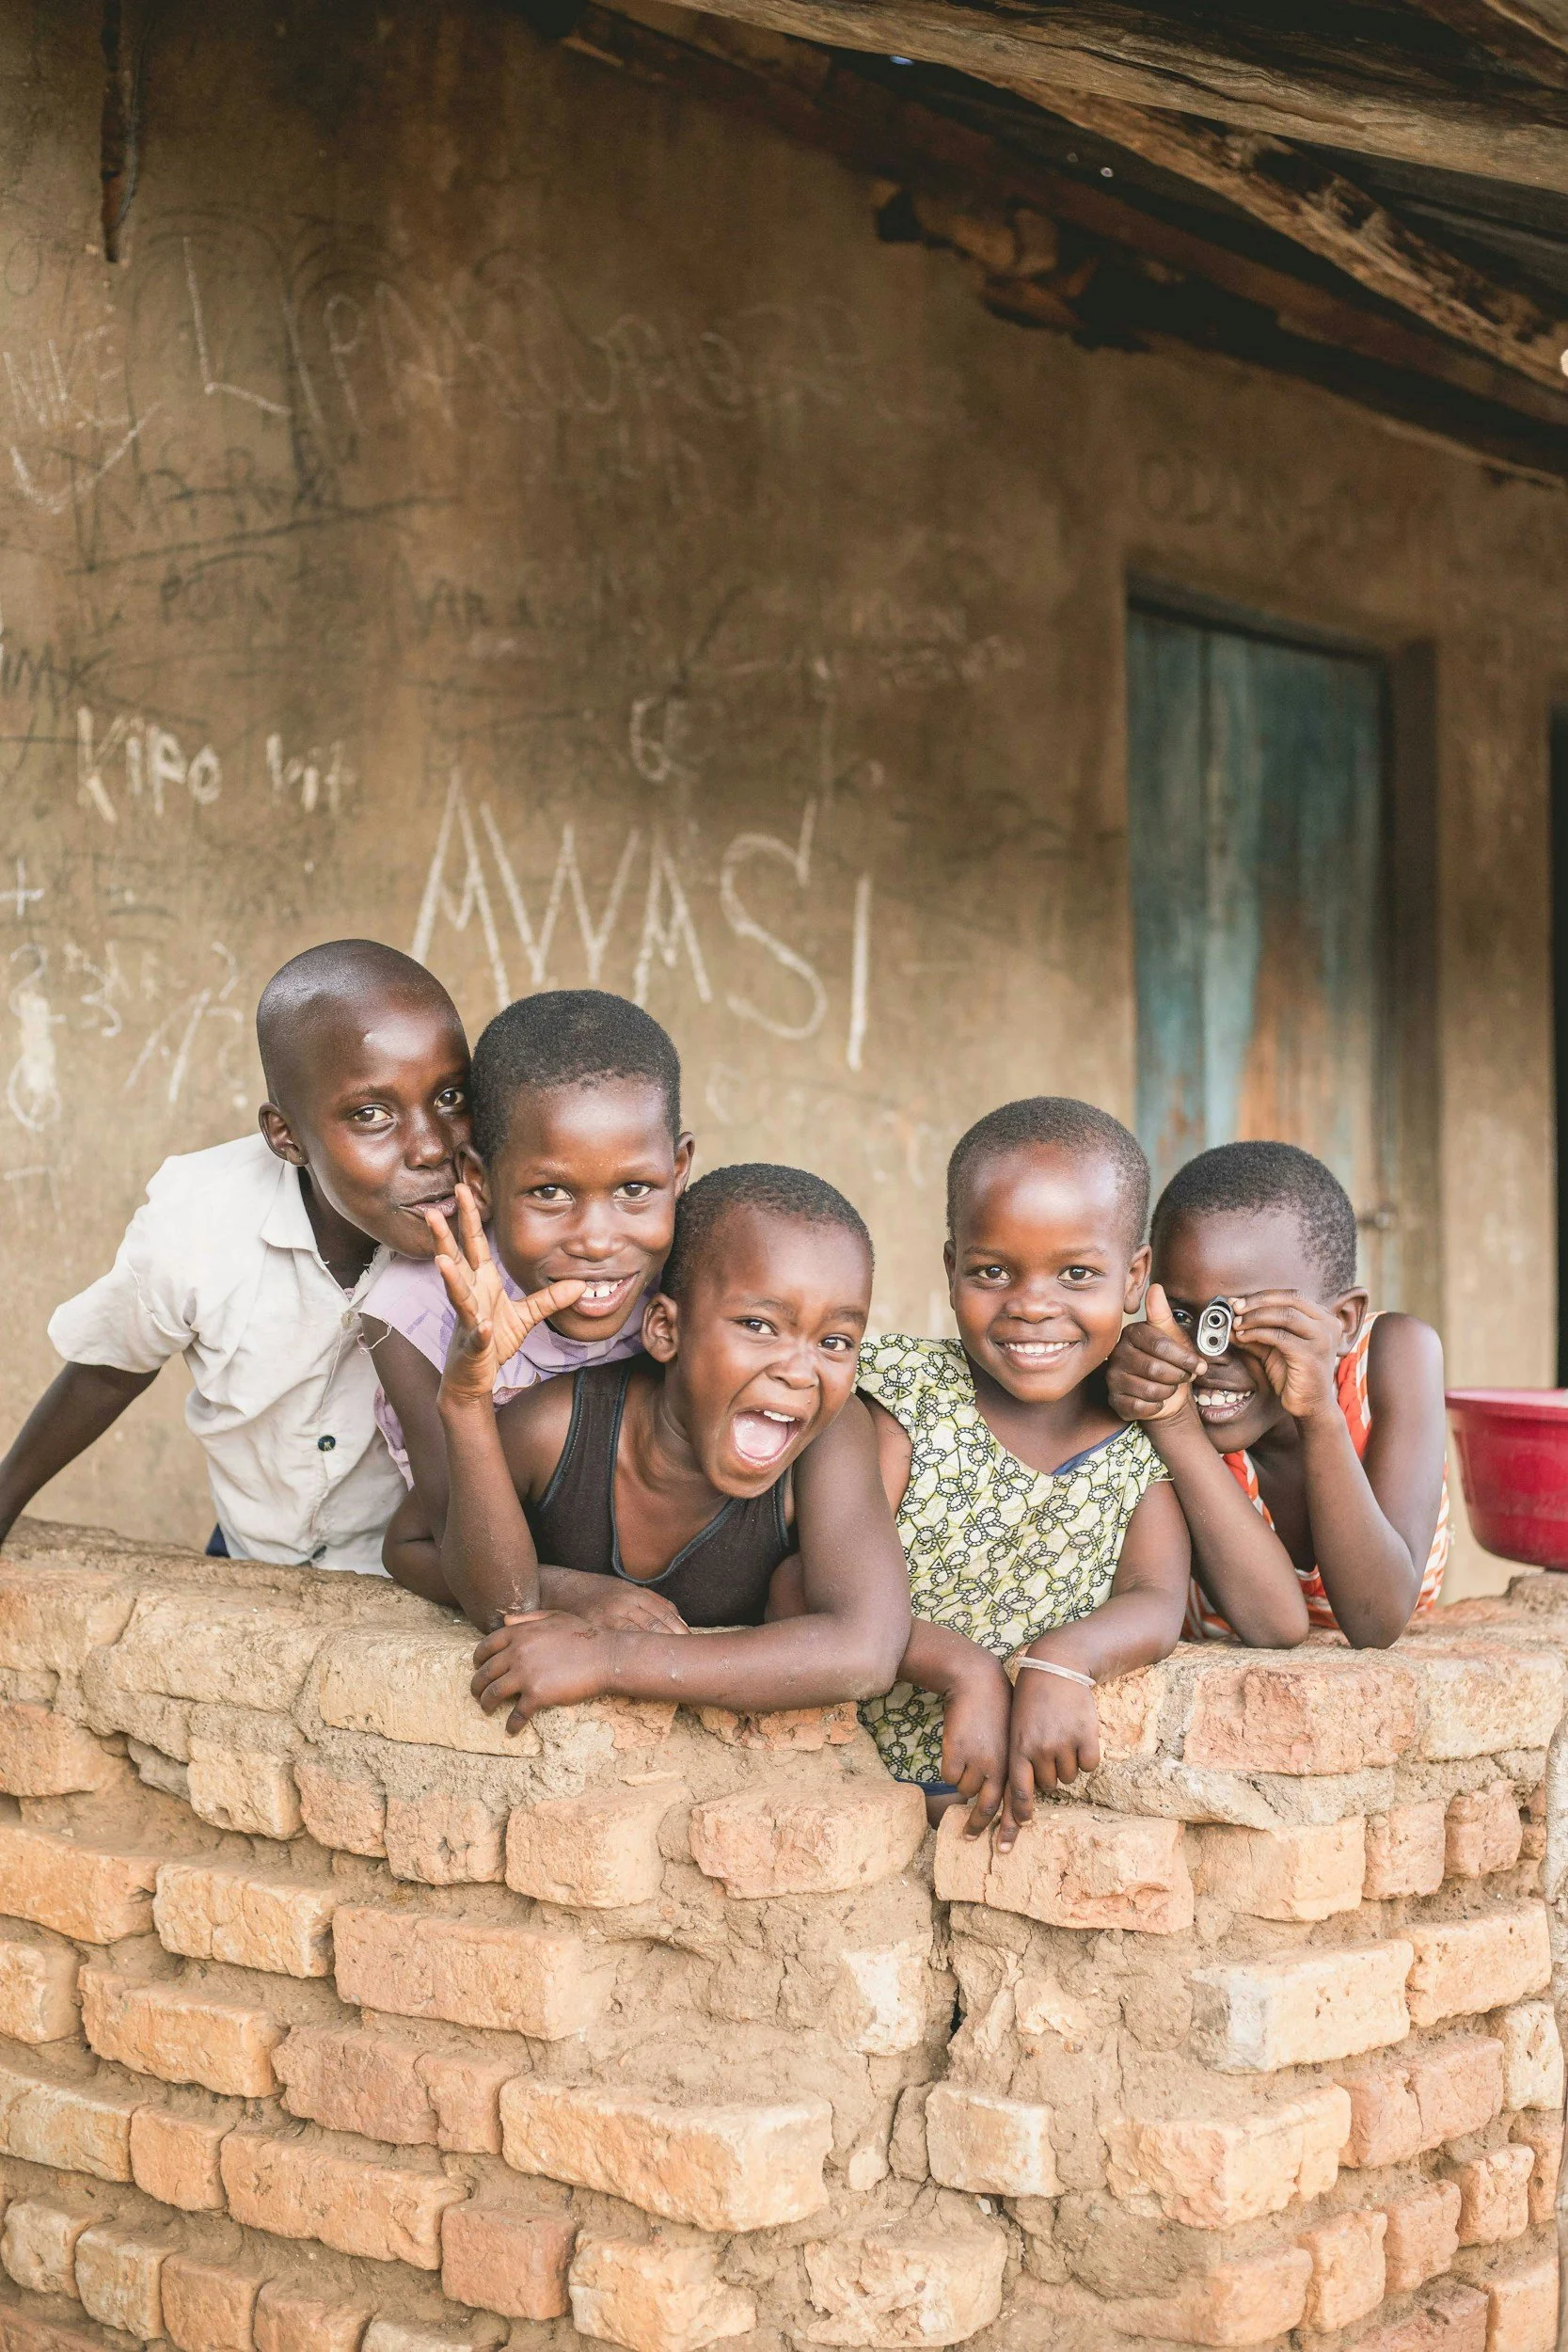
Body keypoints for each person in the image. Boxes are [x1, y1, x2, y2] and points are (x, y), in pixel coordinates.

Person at [0, 940, 470, 1574]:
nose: (432, 1147)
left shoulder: (496, 1229)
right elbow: (111, 1371)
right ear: (286, 1136)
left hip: (417, 1574)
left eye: (451, 1097)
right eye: (370, 1114)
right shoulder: (196, 1228)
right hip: (249, 1558)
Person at [406, 1161, 911, 1723]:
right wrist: (569, 1591)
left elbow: (865, 1651)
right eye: (759, 1326)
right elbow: (410, 1546)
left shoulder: (830, 1442)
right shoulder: (556, 1430)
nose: (799, 1371)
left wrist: (609, 1659)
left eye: (835, 1340)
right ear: (666, 1330)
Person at [855, 1098, 1191, 1848]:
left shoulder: (1136, 1442)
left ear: (1133, 1278)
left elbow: (1155, 1597)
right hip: (853, 1801)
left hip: (1037, 1836)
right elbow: (817, 1587)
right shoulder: (901, 1402)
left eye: (1076, 1273)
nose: (1032, 1306)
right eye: (992, 1271)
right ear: (951, 1269)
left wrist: (1063, 1661)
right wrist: (964, 1671)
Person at [364, 990, 693, 1604]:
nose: (598, 1240)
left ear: (678, 1171)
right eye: (549, 1193)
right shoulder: (415, 1312)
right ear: (479, 1180)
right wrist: (583, 1596)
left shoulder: (691, 1275)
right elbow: (449, 1543)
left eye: (634, 1188)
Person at [1105, 1139, 1449, 1649]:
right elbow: (1275, 1625)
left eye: (1243, 1320)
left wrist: (1317, 1413)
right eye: (1182, 1316)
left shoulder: (1392, 1358)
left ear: (1344, 1321)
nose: (1208, 1354)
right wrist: (1169, 1422)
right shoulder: (1153, 1388)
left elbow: (1376, 1620)